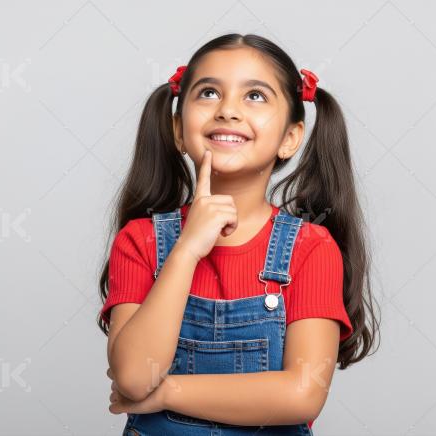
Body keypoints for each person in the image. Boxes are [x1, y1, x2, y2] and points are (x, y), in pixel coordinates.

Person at [97, 33, 380, 434]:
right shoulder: (140, 241)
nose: (228, 110)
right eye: (209, 93)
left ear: (290, 138)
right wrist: (186, 251)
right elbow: (133, 377)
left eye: (255, 96)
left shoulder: (311, 248)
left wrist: (168, 393)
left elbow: (302, 394)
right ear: (178, 130)